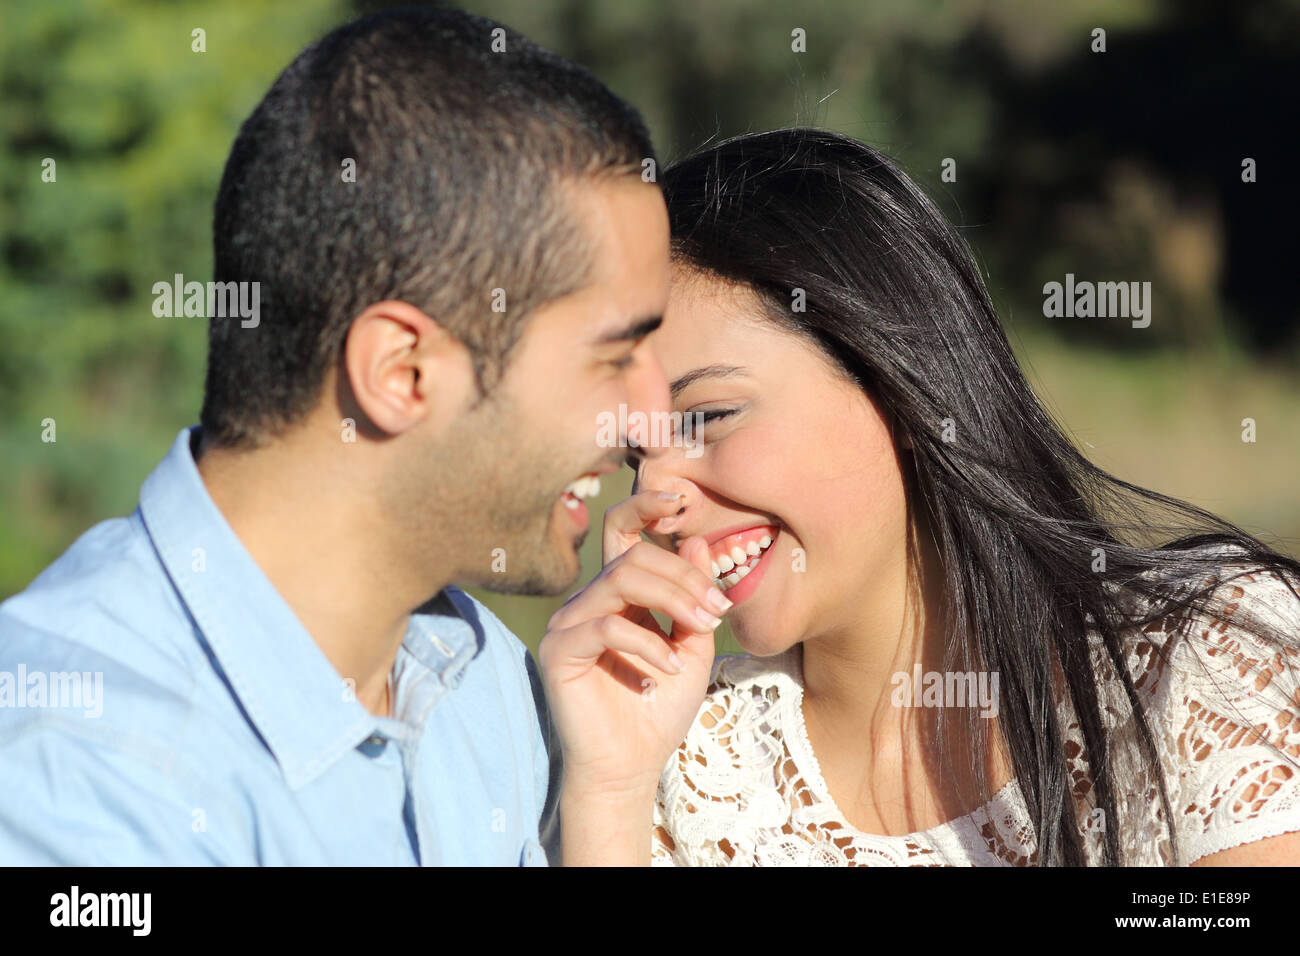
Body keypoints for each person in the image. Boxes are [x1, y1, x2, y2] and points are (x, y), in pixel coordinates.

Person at [0, 6, 725, 865]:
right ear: (401, 373)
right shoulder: (70, 778)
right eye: (614, 356)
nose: (650, 423)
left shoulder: (477, 671)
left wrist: (609, 792)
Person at [544, 128, 1300, 866]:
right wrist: (611, 790)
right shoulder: (678, 761)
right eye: (634, 454)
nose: (657, 495)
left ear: (899, 381)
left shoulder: (1203, 660)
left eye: (706, 417)